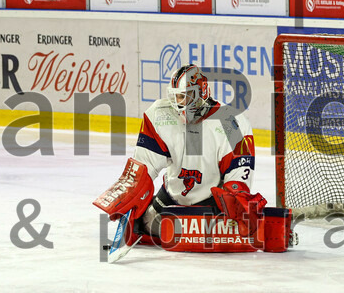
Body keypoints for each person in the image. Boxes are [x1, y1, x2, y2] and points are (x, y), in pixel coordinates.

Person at [96, 65, 287, 253]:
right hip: (170, 200)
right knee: (145, 225)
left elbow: (238, 177)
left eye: (182, 96)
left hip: (210, 209)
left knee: (219, 231)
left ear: (199, 94)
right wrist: (131, 194)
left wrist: (235, 197)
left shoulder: (232, 122)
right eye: (174, 96)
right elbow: (145, 166)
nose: (176, 103)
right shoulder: (159, 115)